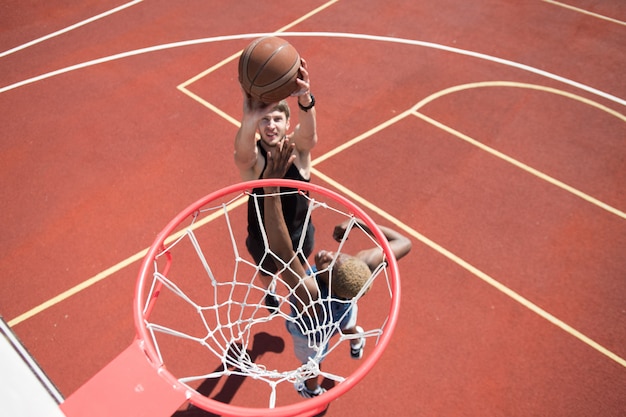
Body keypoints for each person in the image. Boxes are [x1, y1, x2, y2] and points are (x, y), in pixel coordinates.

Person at [261, 139, 412, 399]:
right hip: (343, 311)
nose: (326, 254)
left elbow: (281, 250)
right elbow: (404, 243)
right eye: (337, 256)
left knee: (311, 363)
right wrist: (356, 223)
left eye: (327, 264)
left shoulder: (311, 295)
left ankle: (312, 389)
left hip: (313, 331)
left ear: (327, 282)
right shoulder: (361, 269)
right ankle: (356, 337)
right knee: (347, 324)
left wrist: (271, 187)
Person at [234, 58, 318, 310]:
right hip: (262, 238)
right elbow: (242, 155)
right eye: (265, 120)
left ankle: (291, 295)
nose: (271, 126)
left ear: (287, 123)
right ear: (258, 125)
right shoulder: (256, 161)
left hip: (298, 234)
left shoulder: (298, 152)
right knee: (266, 272)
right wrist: (248, 118)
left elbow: (309, 135)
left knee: (297, 275)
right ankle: (269, 290)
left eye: (277, 119)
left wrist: (305, 99)